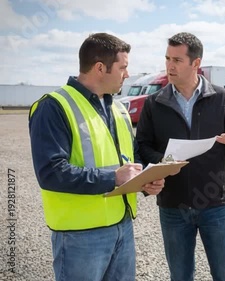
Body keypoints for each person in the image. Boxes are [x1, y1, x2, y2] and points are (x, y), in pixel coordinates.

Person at [28, 32, 165, 281]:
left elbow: (130, 160)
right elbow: (50, 172)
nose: (127, 74)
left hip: (122, 227)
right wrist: (113, 177)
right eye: (123, 67)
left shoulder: (119, 108)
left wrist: (145, 181)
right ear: (100, 68)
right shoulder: (54, 107)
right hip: (79, 236)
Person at [136, 32, 225, 281]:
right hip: (173, 207)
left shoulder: (221, 98)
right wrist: (163, 163)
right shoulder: (153, 103)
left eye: (177, 60)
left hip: (216, 206)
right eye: (167, 58)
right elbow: (142, 147)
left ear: (196, 63)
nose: (169, 65)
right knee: (180, 276)